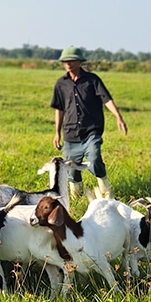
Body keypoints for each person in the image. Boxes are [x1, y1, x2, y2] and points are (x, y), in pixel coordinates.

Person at [50, 46, 128, 200]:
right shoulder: (61, 84)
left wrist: (118, 116)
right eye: (65, 61)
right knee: (71, 169)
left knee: (94, 158)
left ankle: (106, 192)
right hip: (70, 133)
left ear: (79, 61)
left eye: (71, 60)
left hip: (92, 130)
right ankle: (76, 198)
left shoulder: (92, 80)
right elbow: (59, 109)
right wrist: (57, 133)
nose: (68, 64)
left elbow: (106, 99)